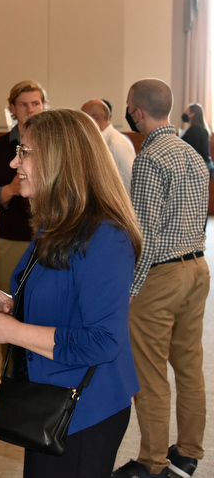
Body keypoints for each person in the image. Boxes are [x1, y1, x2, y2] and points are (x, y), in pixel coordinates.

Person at [0, 108, 142, 478]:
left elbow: (103, 340)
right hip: (48, 394)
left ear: (60, 159)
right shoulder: (56, 222)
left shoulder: (105, 236)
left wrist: (11, 331)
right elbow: (66, 301)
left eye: (25, 152)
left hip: (84, 406)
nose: (15, 162)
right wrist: (12, 305)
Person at [112, 79, 209, 478]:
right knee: (189, 366)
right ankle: (188, 453)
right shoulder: (192, 153)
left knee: (149, 373)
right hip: (198, 268)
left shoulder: (150, 158)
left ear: (136, 111)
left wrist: (130, 289)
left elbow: (146, 235)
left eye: (128, 107)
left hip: (161, 275)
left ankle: (152, 462)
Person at [0, 79, 46, 415]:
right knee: (10, 314)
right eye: (23, 104)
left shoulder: (54, 143)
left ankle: (42, 388)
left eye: (35, 104)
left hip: (53, 242)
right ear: (12, 109)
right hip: (14, 242)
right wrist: (10, 190)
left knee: (46, 314)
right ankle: (7, 388)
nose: (30, 110)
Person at [81, 98, 136, 195]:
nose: (81, 123)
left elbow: (130, 182)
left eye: (83, 118)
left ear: (96, 118)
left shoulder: (117, 143)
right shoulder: (99, 140)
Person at [180, 102, 214, 179]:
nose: (185, 113)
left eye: (187, 111)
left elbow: (191, 151)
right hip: (207, 166)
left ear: (192, 114)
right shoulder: (203, 128)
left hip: (200, 169)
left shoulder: (194, 129)